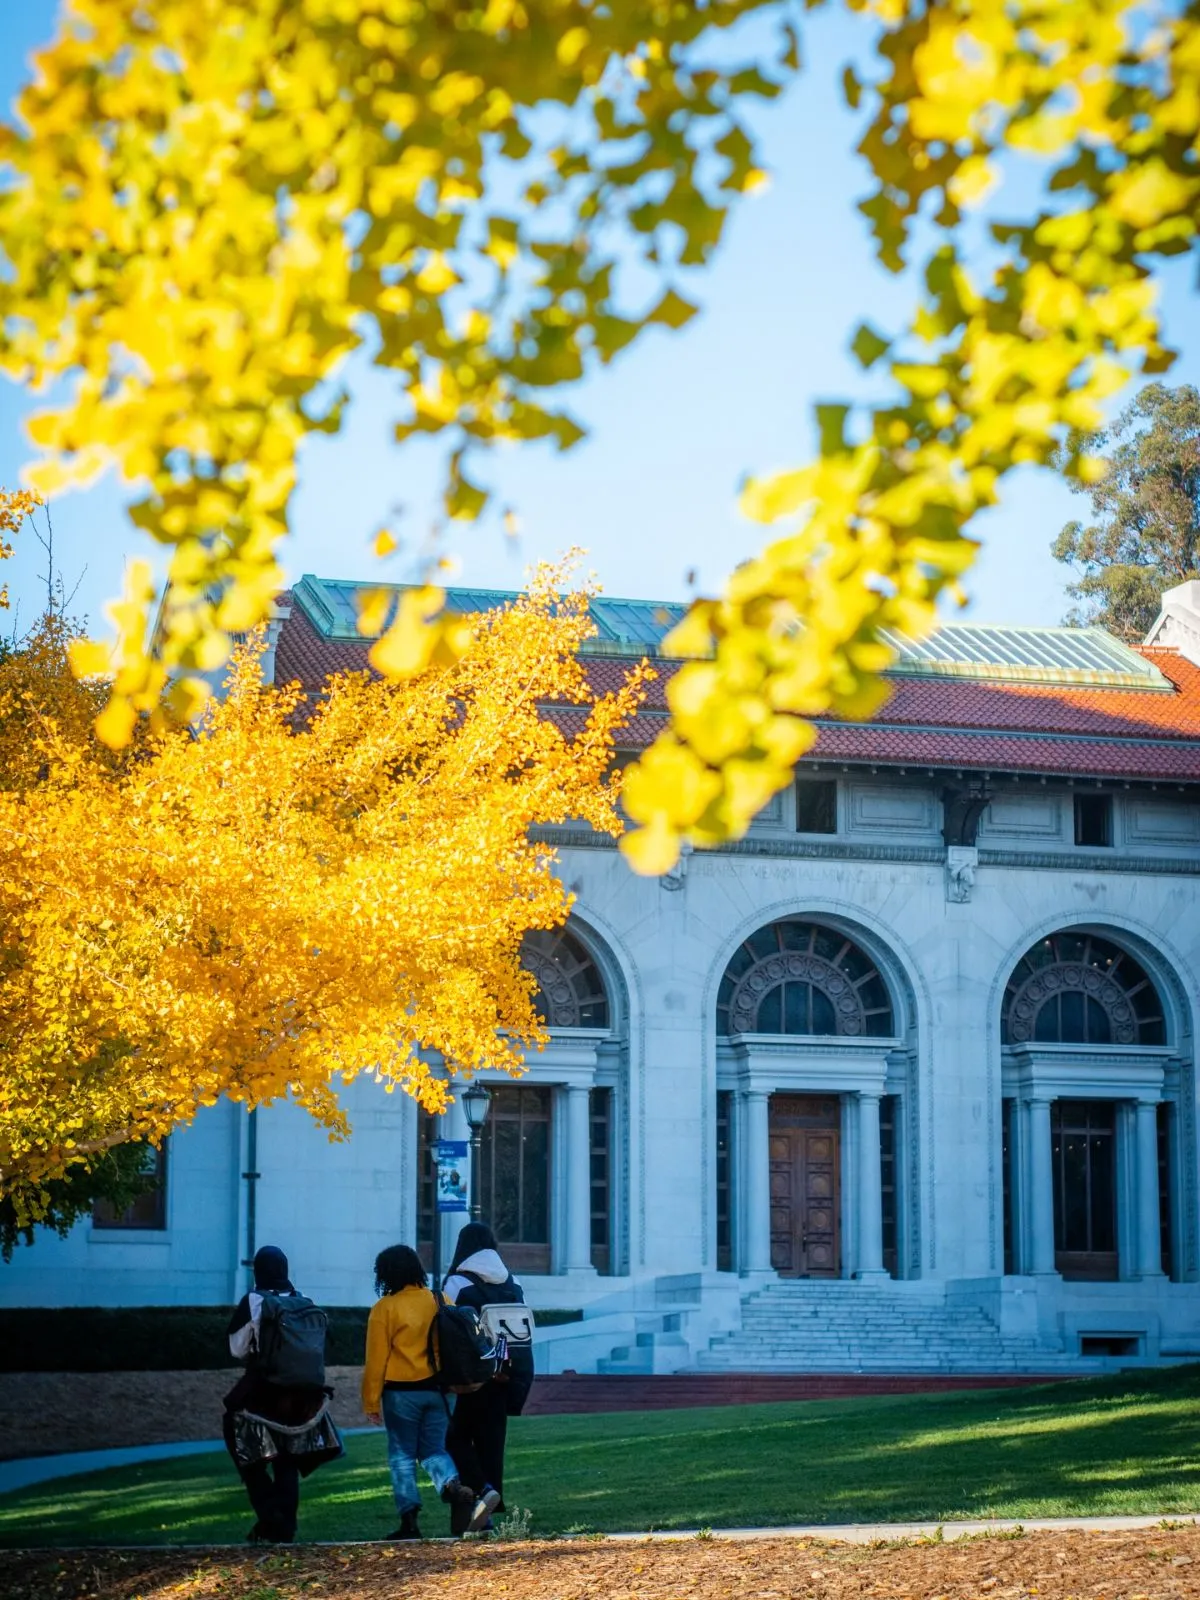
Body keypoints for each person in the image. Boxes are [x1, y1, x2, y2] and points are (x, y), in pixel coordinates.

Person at [362, 1243, 493, 1540]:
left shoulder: (385, 1308)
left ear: (386, 1274)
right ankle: (453, 1486)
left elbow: (376, 1360)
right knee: (434, 1449)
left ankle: (409, 1522)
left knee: (402, 1456)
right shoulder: (440, 1298)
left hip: (401, 1393)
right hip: (440, 1390)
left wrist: (370, 1402)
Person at [223, 1244, 344, 1544]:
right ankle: (285, 1529)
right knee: (287, 1459)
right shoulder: (304, 1302)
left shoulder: (255, 1300)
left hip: (266, 1389)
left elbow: (236, 1348)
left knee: (241, 1443)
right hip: (304, 1395)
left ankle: (270, 1513)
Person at [442, 1221, 531, 1535]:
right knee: (491, 1444)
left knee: (454, 1438)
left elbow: (446, 1328)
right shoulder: (513, 1281)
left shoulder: (456, 1282)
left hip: (472, 1374)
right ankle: (484, 1517)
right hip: (505, 1373)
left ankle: (481, 1491)